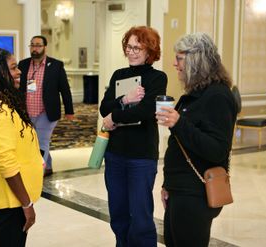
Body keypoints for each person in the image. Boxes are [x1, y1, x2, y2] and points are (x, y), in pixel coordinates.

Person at [156, 33, 237, 247]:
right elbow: (180, 146)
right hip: (180, 190)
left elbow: (217, 149)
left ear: (197, 60)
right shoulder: (195, 94)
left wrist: (178, 122)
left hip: (195, 194)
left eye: (180, 58)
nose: (175, 63)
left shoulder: (218, 97)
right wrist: (168, 185)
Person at [100, 26, 168, 247]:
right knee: (118, 215)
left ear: (150, 50)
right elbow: (104, 108)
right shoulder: (118, 75)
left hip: (141, 157)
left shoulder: (157, 78)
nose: (131, 51)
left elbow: (145, 111)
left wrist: (114, 118)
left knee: (140, 217)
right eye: (128, 46)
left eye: (137, 47)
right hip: (115, 155)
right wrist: (125, 99)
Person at [0, 46, 43, 247]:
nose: (19, 71)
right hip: (11, 199)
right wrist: (27, 204)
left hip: (10, 197)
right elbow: (6, 161)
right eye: (13, 68)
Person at [19, 35, 74, 177]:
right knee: (34, 141)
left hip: (47, 112)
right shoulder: (23, 64)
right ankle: (48, 165)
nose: (34, 48)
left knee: (42, 141)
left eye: (38, 45)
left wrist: (69, 110)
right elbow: (18, 87)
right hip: (28, 112)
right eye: (32, 45)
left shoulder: (56, 65)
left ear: (45, 47)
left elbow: (65, 89)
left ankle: (37, 173)